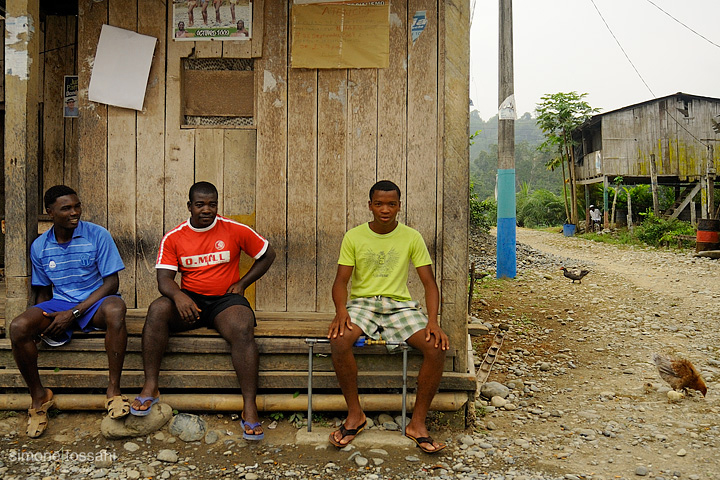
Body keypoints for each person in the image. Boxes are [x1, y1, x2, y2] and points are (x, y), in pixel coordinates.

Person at [130, 182, 276, 441]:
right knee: (157, 310)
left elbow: (267, 254)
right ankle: (151, 384)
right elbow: (164, 280)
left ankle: (249, 406)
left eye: (212, 204)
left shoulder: (234, 229)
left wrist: (242, 283)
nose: (207, 209)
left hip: (224, 302)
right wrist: (178, 296)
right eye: (200, 204)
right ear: (190, 206)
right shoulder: (174, 237)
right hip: (190, 302)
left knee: (243, 326)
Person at [328, 180, 449, 454]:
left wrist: (433, 320)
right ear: (369, 205)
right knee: (339, 340)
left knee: (435, 346)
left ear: (399, 206)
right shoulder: (354, 236)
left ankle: (417, 424)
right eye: (379, 204)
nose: (385, 209)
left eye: (391, 204)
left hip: (399, 305)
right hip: (364, 304)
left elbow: (429, 283)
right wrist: (341, 311)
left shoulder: (411, 237)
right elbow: (340, 281)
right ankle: (355, 415)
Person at [10, 185, 128, 438]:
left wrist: (73, 314)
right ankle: (38, 398)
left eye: (77, 206)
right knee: (19, 327)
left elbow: (111, 284)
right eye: (66, 209)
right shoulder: (40, 246)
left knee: (117, 309)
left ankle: (114, 393)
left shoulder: (98, 235)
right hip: (60, 304)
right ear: (50, 212)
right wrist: (40, 324)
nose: (74, 213)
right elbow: (43, 292)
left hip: (95, 303)